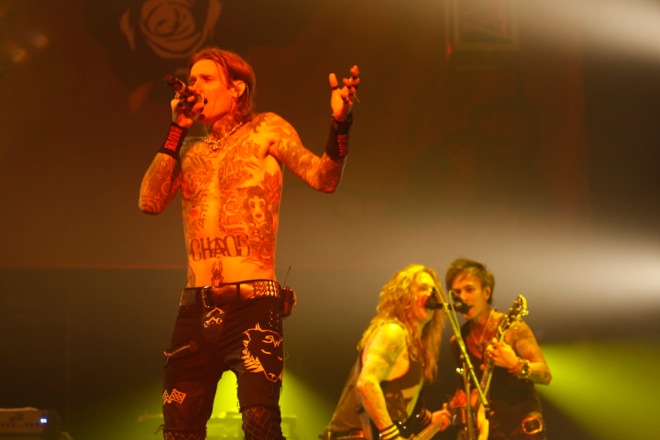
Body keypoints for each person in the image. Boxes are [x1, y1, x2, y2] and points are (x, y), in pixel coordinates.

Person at [138, 47, 360, 440]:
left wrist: (340, 124)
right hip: (195, 307)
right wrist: (177, 128)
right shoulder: (189, 150)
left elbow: (323, 178)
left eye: (207, 78)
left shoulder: (267, 129)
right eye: (192, 79)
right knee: (178, 430)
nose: (195, 86)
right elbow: (149, 201)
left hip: (252, 306)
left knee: (259, 425)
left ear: (237, 88)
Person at [320, 264, 452, 440]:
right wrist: (392, 435)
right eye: (422, 288)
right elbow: (366, 383)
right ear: (404, 295)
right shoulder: (393, 332)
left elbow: (399, 403)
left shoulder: (417, 347)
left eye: (433, 290)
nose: (430, 294)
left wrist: (428, 418)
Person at [444, 258, 552, 440]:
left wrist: (516, 364)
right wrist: (456, 405)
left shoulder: (512, 328)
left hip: (522, 431)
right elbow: (468, 388)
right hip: (488, 433)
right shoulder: (458, 341)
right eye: (457, 293)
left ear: (486, 292)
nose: (463, 297)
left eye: (469, 289)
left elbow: (545, 374)